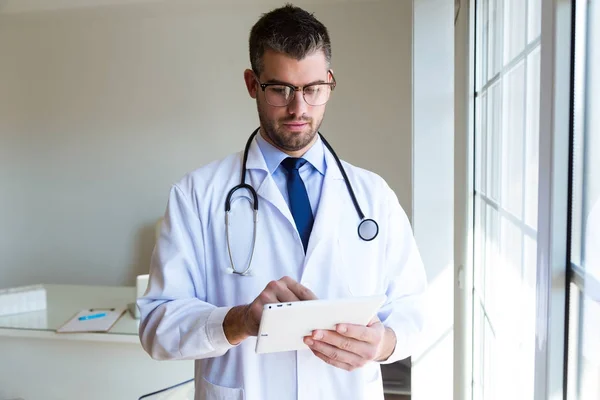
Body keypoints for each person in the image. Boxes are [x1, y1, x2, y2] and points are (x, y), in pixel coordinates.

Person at [138, 4, 427, 400]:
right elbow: (156, 326)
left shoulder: (373, 195)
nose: (299, 108)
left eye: (313, 89)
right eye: (281, 89)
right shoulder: (197, 195)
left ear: (329, 82)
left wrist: (384, 343)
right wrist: (237, 321)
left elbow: (415, 310)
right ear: (252, 84)